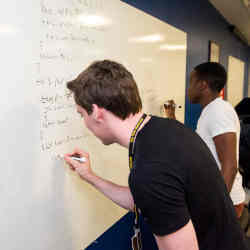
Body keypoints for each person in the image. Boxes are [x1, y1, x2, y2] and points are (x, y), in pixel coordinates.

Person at [64, 60, 249, 250]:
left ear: (96, 112)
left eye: (81, 114)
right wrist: (89, 176)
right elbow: (144, 198)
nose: (84, 123)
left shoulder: (151, 168)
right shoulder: (166, 130)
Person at [165, 62, 246, 218]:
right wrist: (172, 117)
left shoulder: (218, 111)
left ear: (202, 85)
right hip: (217, 197)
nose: (188, 88)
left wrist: (214, 208)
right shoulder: (211, 110)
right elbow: (194, 142)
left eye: (191, 82)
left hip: (224, 203)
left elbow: (230, 165)